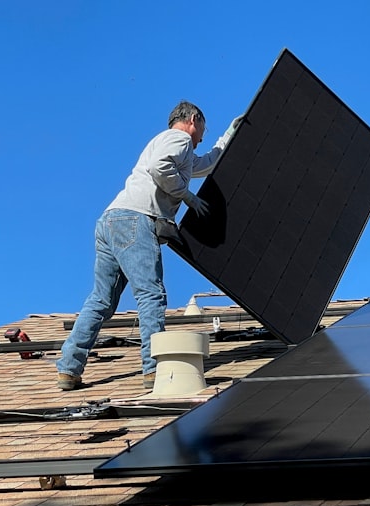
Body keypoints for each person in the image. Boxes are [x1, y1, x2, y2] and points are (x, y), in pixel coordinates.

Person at [56, 101, 241, 391]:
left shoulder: (172, 145)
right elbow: (160, 168)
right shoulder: (178, 138)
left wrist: (229, 135)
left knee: (100, 301)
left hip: (111, 221)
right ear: (193, 119)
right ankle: (154, 370)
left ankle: (68, 368)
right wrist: (187, 197)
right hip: (135, 219)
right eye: (204, 129)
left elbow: (204, 165)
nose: (203, 136)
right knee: (151, 294)